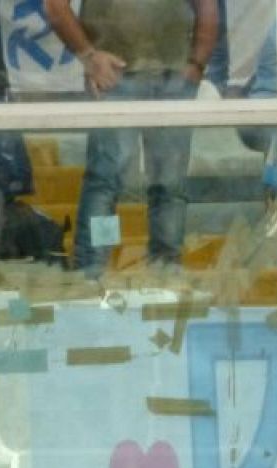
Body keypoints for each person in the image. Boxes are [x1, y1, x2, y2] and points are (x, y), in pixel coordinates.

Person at [42, 0, 221, 275]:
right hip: (117, 74)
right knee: (108, 183)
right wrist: (89, 56)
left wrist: (197, 63)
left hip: (172, 75)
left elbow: (207, 5)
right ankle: (94, 272)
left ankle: (163, 275)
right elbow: (55, 6)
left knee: (166, 185)